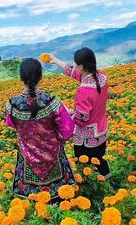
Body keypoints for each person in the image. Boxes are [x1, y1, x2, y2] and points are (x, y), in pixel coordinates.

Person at [4, 58, 76, 200]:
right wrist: (60, 138)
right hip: (53, 152)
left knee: (32, 198)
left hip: (27, 153)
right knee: (60, 194)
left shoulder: (12, 104)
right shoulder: (51, 101)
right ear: (40, 77)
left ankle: (34, 204)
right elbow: (67, 129)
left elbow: (11, 124)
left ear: (21, 78)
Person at [45, 48, 110, 177]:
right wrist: (54, 60)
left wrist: (66, 112)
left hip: (87, 137)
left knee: (85, 167)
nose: (73, 66)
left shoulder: (84, 90)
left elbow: (81, 119)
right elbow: (72, 72)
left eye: (75, 64)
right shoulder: (101, 77)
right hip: (101, 131)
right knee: (100, 160)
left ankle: (92, 191)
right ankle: (110, 182)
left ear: (81, 66)